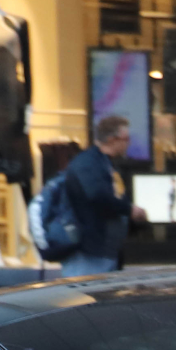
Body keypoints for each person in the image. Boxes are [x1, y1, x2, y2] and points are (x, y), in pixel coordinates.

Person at [55, 114, 146, 277]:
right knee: (83, 299)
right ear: (112, 140)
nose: (129, 143)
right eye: (126, 138)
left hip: (105, 251)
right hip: (89, 252)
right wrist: (129, 209)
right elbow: (97, 195)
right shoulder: (88, 163)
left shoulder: (104, 162)